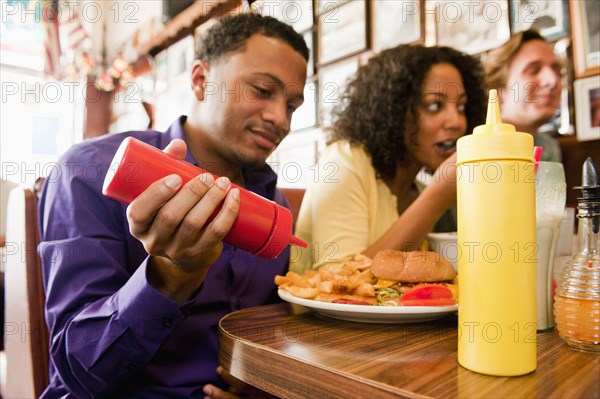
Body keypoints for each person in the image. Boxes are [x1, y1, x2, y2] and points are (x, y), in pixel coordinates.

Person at [38, 13, 308, 398]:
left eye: (293, 106)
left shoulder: (272, 201)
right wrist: (169, 276)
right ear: (200, 80)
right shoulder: (89, 172)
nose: (280, 118)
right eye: (263, 90)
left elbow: (266, 333)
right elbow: (80, 372)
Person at [290, 44, 486, 272]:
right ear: (394, 108)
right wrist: (438, 195)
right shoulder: (343, 160)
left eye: (461, 106)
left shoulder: (421, 190)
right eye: (434, 105)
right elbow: (338, 283)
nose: (456, 121)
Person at [484, 29, 563, 162]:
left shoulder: (548, 148)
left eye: (556, 70)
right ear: (498, 91)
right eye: (534, 70)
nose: (553, 80)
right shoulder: (476, 149)